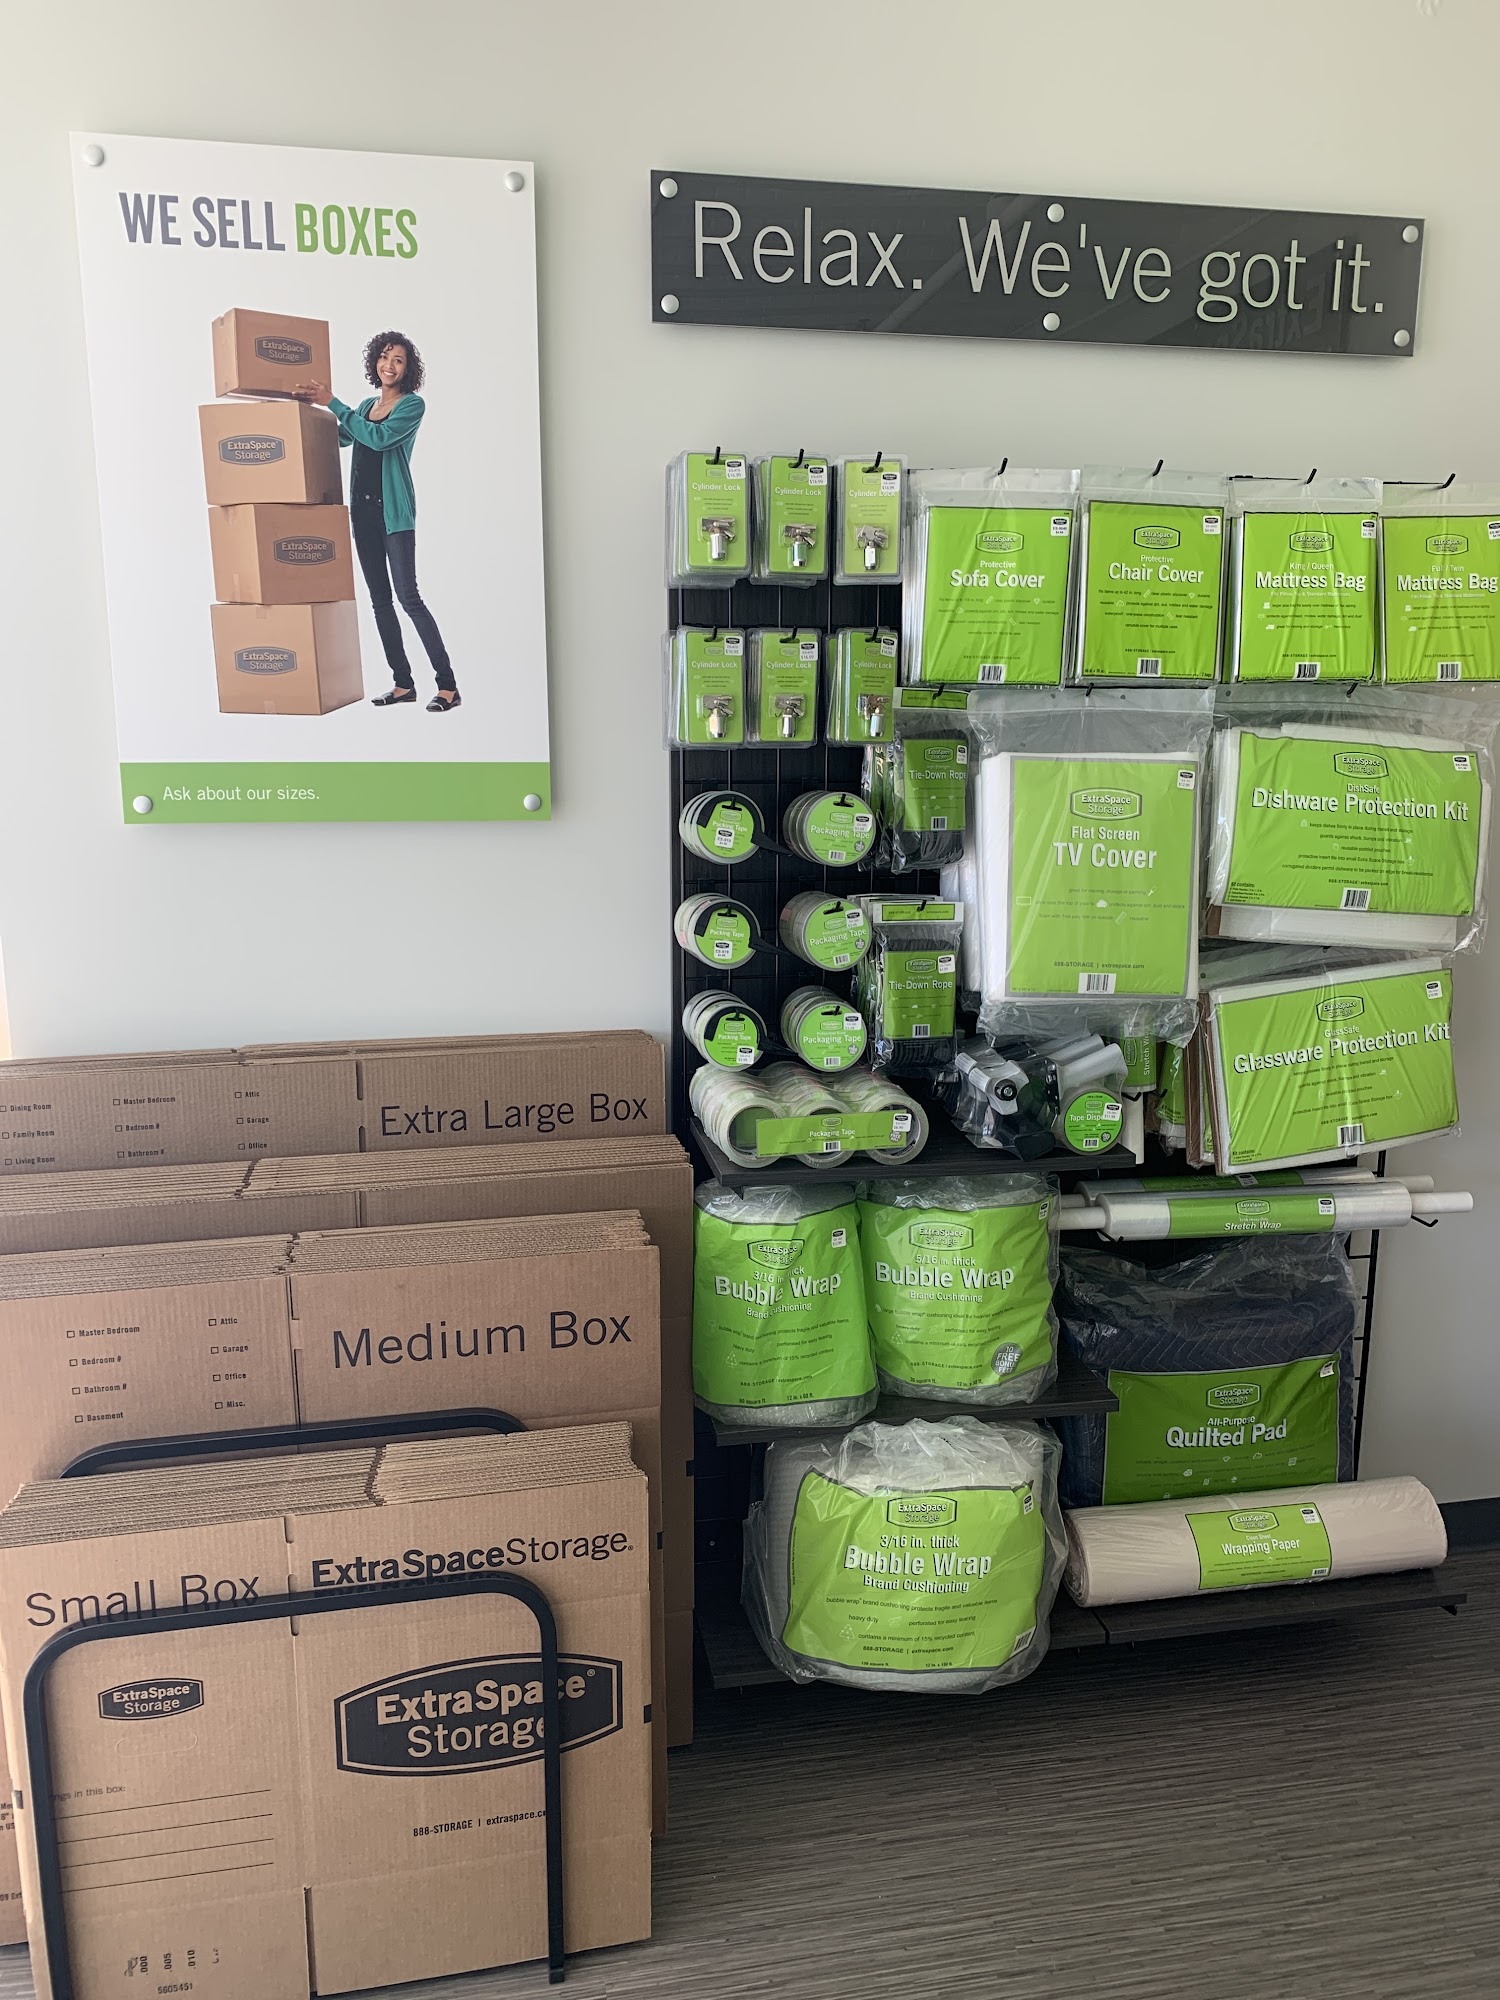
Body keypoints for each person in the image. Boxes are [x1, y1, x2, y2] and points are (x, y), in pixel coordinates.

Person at [296, 333, 458, 711]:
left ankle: (448, 686)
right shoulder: (367, 405)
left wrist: (333, 402)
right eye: (384, 357)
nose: (389, 365)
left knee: (409, 598)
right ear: (374, 362)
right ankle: (403, 684)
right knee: (380, 602)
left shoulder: (412, 405)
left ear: (408, 369)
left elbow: (379, 438)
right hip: (363, 514)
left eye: (398, 360)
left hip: (393, 514)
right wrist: (301, 413)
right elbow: (342, 436)